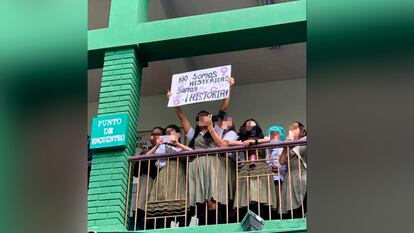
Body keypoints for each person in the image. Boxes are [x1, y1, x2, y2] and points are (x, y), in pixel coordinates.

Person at [167, 77, 235, 224]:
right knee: (202, 201)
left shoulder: (215, 130)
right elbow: (181, 116)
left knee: (213, 199)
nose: (202, 118)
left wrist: (228, 87)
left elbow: (223, 109)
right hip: (198, 166)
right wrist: (173, 100)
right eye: (199, 117)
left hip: (213, 165)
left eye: (205, 116)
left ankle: (218, 226)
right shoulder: (193, 134)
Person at [145, 124, 192, 228]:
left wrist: (178, 144)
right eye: (166, 133)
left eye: (171, 132)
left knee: (182, 204)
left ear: (178, 134)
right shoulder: (162, 147)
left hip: (180, 177)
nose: (168, 135)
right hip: (166, 175)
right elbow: (146, 157)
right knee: (164, 204)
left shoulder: (181, 147)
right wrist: (157, 145)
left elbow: (192, 153)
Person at [235, 123, 278, 218]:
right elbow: (227, 143)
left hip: (261, 168)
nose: (250, 128)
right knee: (246, 199)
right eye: (247, 126)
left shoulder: (264, 138)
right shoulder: (242, 140)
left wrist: (254, 142)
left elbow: (270, 140)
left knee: (260, 198)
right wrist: (244, 142)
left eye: (252, 126)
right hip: (246, 169)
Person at [132, 126, 164, 229]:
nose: (154, 136)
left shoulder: (167, 150)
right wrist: (156, 147)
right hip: (147, 182)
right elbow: (136, 171)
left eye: (157, 134)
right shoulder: (146, 151)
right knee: (141, 207)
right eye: (153, 134)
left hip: (161, 183)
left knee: (156, 211)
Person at [279, 122, 307, 218]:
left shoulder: (304, 143)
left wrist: (296, 143)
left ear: (302, 132)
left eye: (295, 129)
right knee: (293, 206)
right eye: (291, 129)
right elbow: (282, 161)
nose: (293, 131)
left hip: (302, 174)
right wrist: (285, 146)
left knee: (304, 202)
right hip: (290, 177)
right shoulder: (288, 145)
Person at [265, 125, 287, 217]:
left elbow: (283, 164)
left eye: (276, 134)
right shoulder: (267, 147)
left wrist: (278, 168)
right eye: (271, 134)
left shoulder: (282, 146)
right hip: (268, 177)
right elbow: (266, 161)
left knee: (278, 200)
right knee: (270, 201)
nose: (274, 136)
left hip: (278, 178)